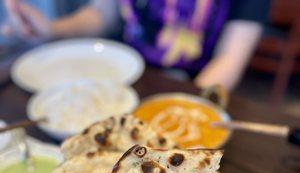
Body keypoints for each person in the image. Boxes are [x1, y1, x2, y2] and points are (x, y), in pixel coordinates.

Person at [1, 0, 270, 91]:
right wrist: (52, 30)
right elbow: (101, 14)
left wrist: (189, 108)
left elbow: (231, 57)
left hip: (191, 85)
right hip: (120, 80)